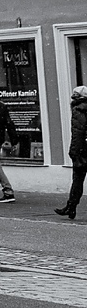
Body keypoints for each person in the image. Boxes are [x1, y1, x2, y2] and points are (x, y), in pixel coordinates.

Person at [56, 85, 87, 220]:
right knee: (78, 180)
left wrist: (74, 152)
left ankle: (71, 207)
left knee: (78, 180)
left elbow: (78, 133)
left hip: (82, 150)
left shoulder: (79, 109)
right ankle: (70, 207)